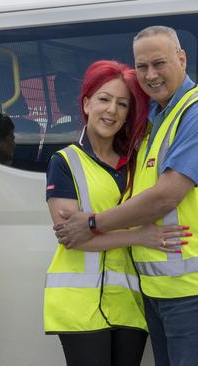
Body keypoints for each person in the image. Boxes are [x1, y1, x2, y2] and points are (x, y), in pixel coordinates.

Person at [54, 26, 198, 366]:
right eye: (142, 66)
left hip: (196, 287)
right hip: (163, 288)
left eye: (159, 63)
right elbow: (153, 187)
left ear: (182, 58)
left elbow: (163, 198)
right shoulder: (159, 118)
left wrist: (94, 223)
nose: (150, 75)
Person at [44, 60, 188, 366]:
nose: (111, 111)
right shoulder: (64, 161)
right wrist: (139, 236)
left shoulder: (136, 162)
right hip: (81, 307)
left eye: (122, 104)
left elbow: (173, 187)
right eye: (104, 99)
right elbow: (74, 238)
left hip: (129, 303)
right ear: (86, 104)